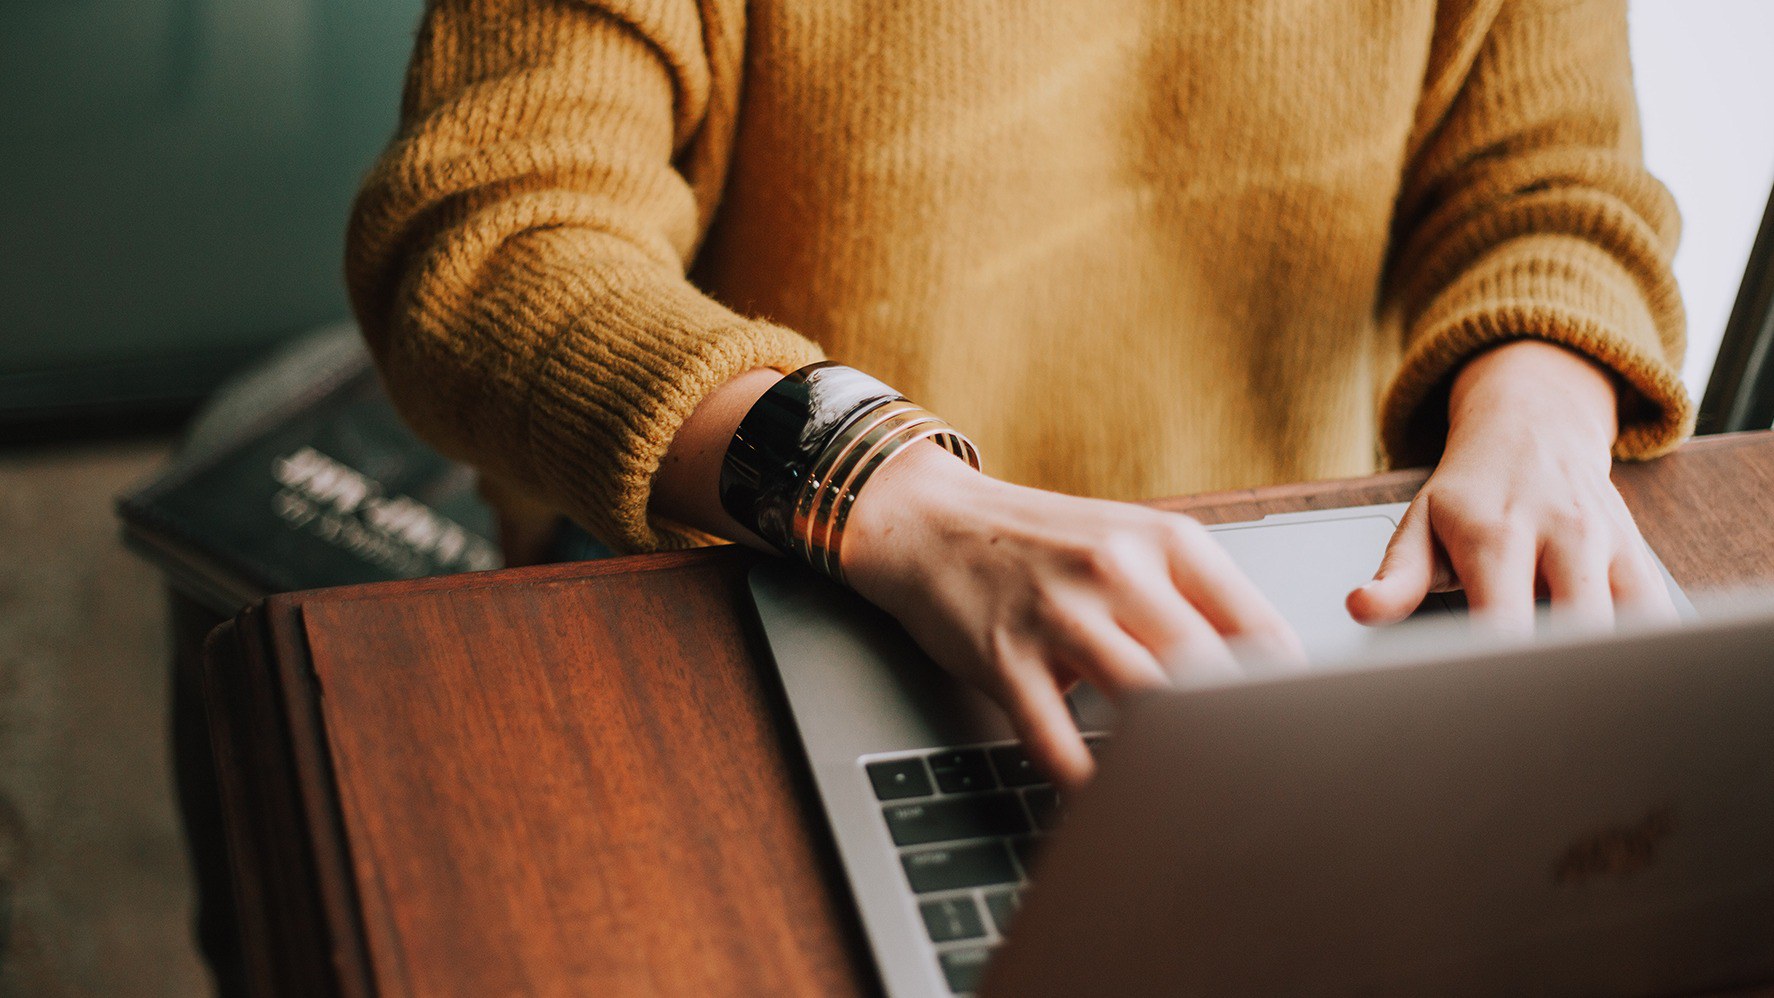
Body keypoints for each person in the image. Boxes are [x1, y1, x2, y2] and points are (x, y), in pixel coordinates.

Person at [346, 0, 1689, 789]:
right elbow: (489, 236)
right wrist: (884, 486)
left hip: (1267, 615)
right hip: (767, 572)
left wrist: (1541, 407)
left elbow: (1551, 184)